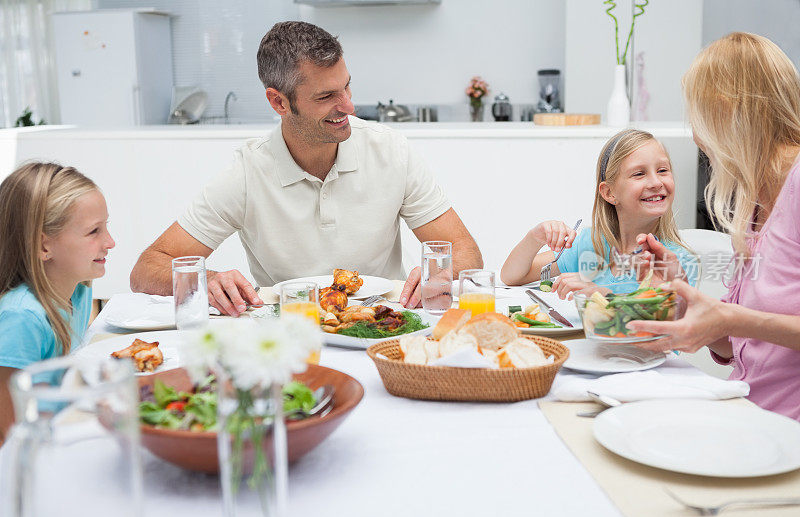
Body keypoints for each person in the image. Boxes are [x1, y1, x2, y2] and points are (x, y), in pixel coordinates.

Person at [130, 21, 482, 316]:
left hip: (382, 326)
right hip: (288, 336)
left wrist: (444, 273)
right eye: (326, 96)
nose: (348, 106)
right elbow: (148, 268)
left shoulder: (391, 151)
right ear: (279, 102)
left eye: (346, 87)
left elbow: (465, 249)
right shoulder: (248, 174)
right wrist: (204, 279)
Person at [627, 33, 800, 421]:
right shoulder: (754, 202)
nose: (695, 135)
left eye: (697, 117)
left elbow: (745, 323)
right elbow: (738, 348)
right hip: (753, 415)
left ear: (726, 111)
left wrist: (733, 318)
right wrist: (686, 301)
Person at [500, 129, 697, 298]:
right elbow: (512, 276)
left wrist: (601, 295)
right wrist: (535, 237)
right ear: (609, 193)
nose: (656, 182)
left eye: (663, 170)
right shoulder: (589, 244)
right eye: (639, 174)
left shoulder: (678, 261)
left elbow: (666, 327)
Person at [0, 162, 115, 440]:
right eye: (93, 232)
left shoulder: (78, 291)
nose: (110, 242)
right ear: (43, 246)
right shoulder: (22, 318)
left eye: (106, 227)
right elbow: (8, 433)